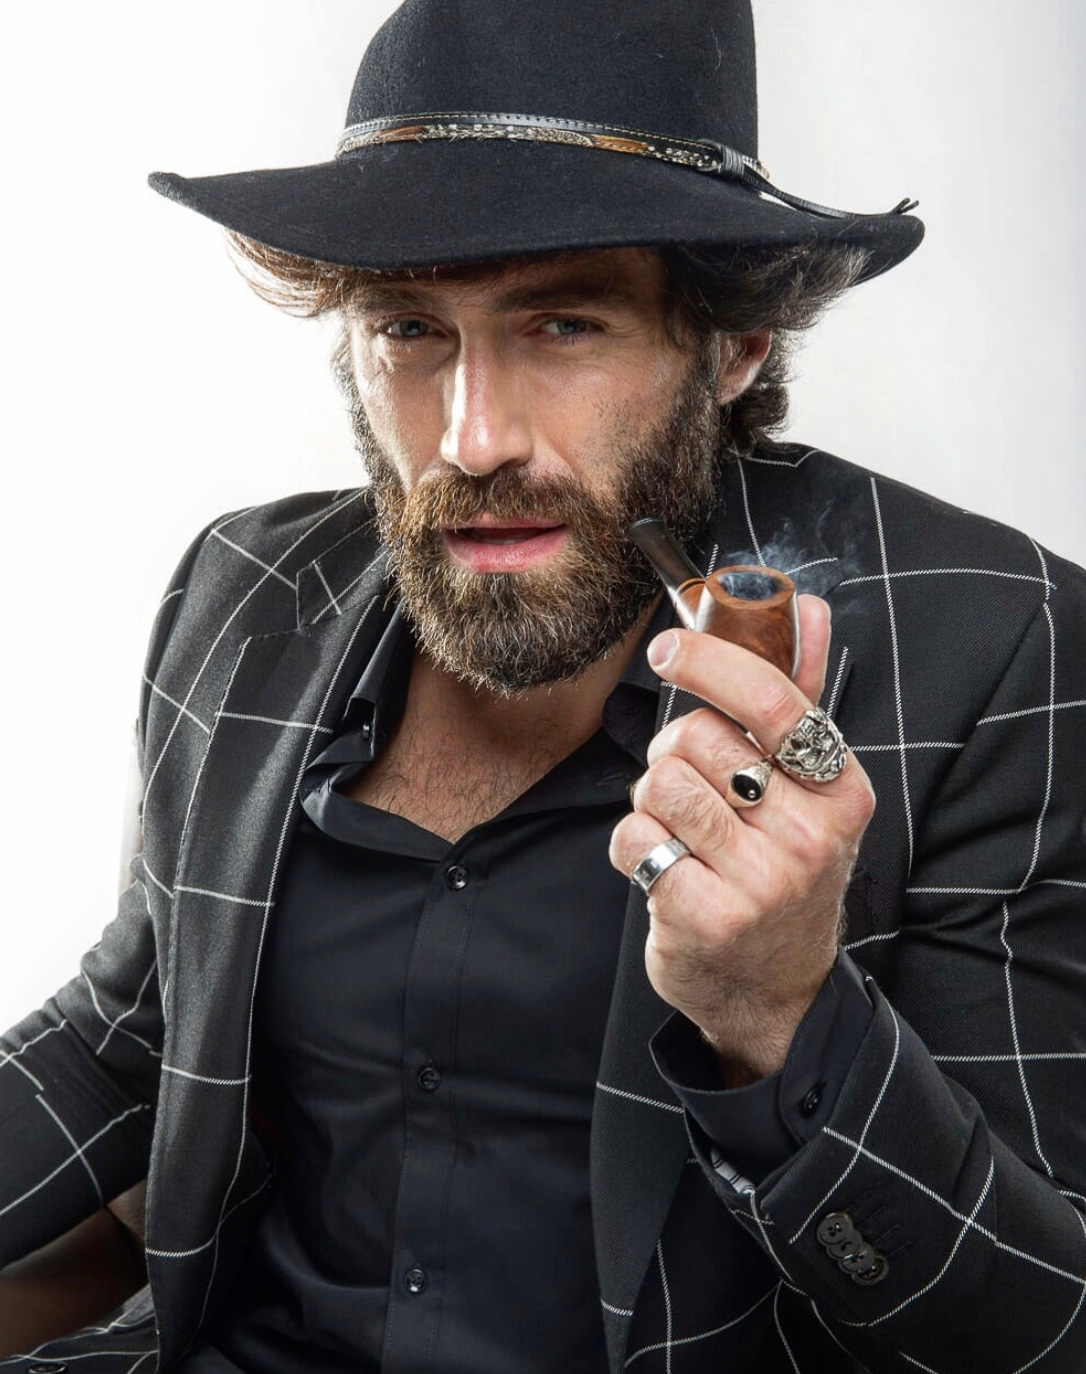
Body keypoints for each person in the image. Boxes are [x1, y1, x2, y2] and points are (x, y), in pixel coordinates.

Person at [1, 1, 1083, 1370]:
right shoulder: (243, 587)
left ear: (734, 341)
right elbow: (130, 1033)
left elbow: (1040, 1328)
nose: (473, 439)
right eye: (409, 329)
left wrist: (779, 1018)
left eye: (563, 323)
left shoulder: (994, 645)